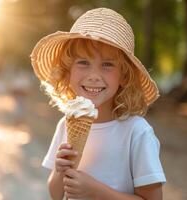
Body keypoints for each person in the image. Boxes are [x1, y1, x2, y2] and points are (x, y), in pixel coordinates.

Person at [30, 8, 166, 200]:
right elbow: (55, 194)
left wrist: (95, 191)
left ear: (124, 76)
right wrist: (61, 171)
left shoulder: (136, 132)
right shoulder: (66, 125)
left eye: (107, 64)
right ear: (68, 72)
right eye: (83, 62)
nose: (93, 76)